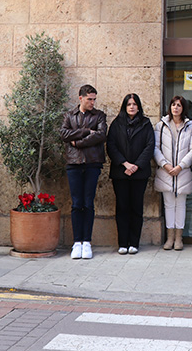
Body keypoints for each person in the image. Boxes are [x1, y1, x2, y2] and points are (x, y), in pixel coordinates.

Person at [59, 84, 107, 260]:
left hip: (93, 163)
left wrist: (77, 142)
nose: (93, 102)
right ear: (81, 98)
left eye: (94, 99)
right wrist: (87, 131)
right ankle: (76, 242)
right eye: (89, 99)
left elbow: (101, 135)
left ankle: (87, 241)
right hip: (73, 163)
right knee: (76, 203)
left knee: (88, 203)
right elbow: (64, 134)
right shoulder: (69, 115)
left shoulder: (99, 115)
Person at [107, 93, 155, 255]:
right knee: (122, 207)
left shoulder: (146, 123)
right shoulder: (116, 123)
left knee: (136, 208)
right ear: (124, 106)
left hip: (139, 173)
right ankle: (122, 243)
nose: (132, 107)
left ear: (139, 106)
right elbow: (111, 146)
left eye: (134, 104)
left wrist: (136, 165)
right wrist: (125, 164)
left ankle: (134, 243)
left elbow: (150, 146)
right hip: (121, 172)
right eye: (129, 104)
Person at [153, 95, 192, 251]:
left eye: (179, 105)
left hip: (183, 172)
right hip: (165, 171)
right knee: (169, 205)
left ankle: (179, 238)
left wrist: (180, 166)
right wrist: (165, 164)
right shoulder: (161, 126)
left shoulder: (191, 127)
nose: (176, 108)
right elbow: (156, 148)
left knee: (181, 205)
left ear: (183, 108)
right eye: (173, 105)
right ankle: (169, 237)